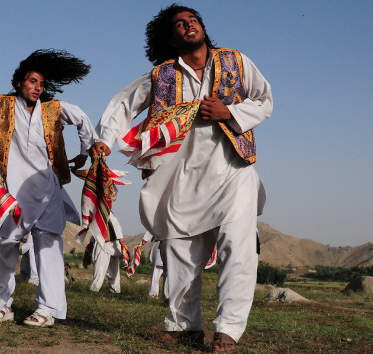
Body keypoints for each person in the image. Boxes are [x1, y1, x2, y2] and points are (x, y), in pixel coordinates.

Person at [92, 4, 272, 351]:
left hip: (232, 170)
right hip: (180, 176)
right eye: (179, 23)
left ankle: (229, 330)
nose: (188, 25)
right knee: (179, 250)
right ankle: (184, 325)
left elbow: (265, 100)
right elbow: (123, 105)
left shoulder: (234, 61)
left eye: (193, 20)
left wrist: (230, 111)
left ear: (202, 27)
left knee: (237, 247)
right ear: (170, 37)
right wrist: (104, 139)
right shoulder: (161, 74)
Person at [0, 49, 94, 327]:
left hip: (48, 189)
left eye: (41, 83)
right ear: (19, 82)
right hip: (10, 191)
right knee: (4, 245)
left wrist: (84, 151)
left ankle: (47, 309)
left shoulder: (54, 109)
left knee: (48, 246)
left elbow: (81, 118)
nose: (38, 87)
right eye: (33, 81)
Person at [89, 213, 126, 293]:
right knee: (101, 269)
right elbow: (96, 229)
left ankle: (115, 290)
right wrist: (91, 242)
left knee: (111, 270)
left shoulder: (106, 211)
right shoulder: (99, 212)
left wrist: (120, 237)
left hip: (112, 245)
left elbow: (115, 223)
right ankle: (95, 289)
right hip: (104, 244)